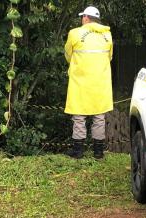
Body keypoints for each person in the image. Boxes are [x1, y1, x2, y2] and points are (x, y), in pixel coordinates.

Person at [64, 6, 113, 159]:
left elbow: (68, 54)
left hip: (80, 82)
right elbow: (109, 57)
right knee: (99, 117)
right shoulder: (107, 35)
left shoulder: (75, 33)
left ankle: (78, 151)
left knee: (79, 117)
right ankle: (98, 152)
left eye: (82, 17)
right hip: (101, 83)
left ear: (86, 17)